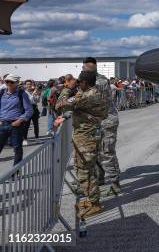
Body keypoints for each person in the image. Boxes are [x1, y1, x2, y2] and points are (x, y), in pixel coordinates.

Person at [56, 70, 107, 218]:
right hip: (86, 136)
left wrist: (67, 88)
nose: (77, 84)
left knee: (85, 171)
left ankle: (95, 204)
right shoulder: (94, 93)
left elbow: (60, 104)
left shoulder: (86, 95)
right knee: (83, 169)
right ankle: (91, 199)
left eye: (79, 82)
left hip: (86, 137)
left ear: (84, 82)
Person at [83, 57, 121, 193]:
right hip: (97, 121)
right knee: (96, 151)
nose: (83, 70)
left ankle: (115, 182)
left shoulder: (100, 81)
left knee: (107, 152)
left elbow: (88, 99)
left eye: (85, 68)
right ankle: (99, 177)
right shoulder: (89, 80)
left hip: (107, 121)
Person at [0, 74, 33, 165]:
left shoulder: (21, 94)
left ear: (17, 83)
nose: (9, 84)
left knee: (17, 149)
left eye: (11, 82)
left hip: (15, 125)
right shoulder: (2, 93)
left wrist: (20, 120)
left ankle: (15, 173)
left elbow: (29, 110)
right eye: (7, 81)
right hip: (3, 124)